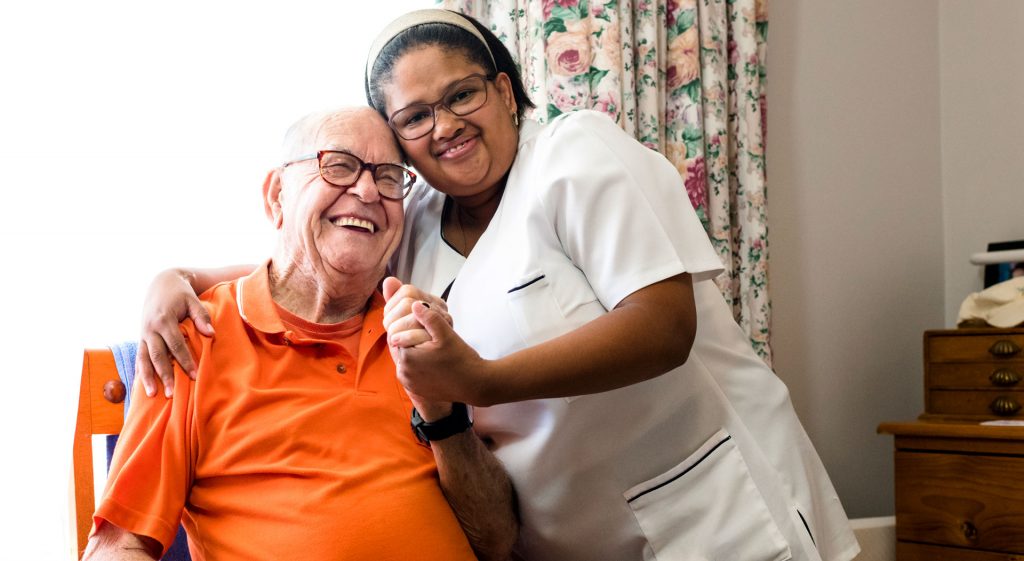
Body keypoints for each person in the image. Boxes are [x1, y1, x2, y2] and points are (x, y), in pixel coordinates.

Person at [138, 9, 859, 561]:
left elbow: (664, 327)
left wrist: (476, 378)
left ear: (506, 91)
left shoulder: (575, 155)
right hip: (563, 537)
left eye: (462, 95)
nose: (445, 125)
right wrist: (181, 278)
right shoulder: (414, 216)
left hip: (709, 514)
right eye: (415, 117)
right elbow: (320, 243)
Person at [83, 107, 517, 561]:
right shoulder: (194, 337)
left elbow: (497, 541)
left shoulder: (421, 333)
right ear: (276, 196)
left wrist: (441, 412)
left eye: (388, 176)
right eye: (339, 165)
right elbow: (120, 545)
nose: (368, 190)